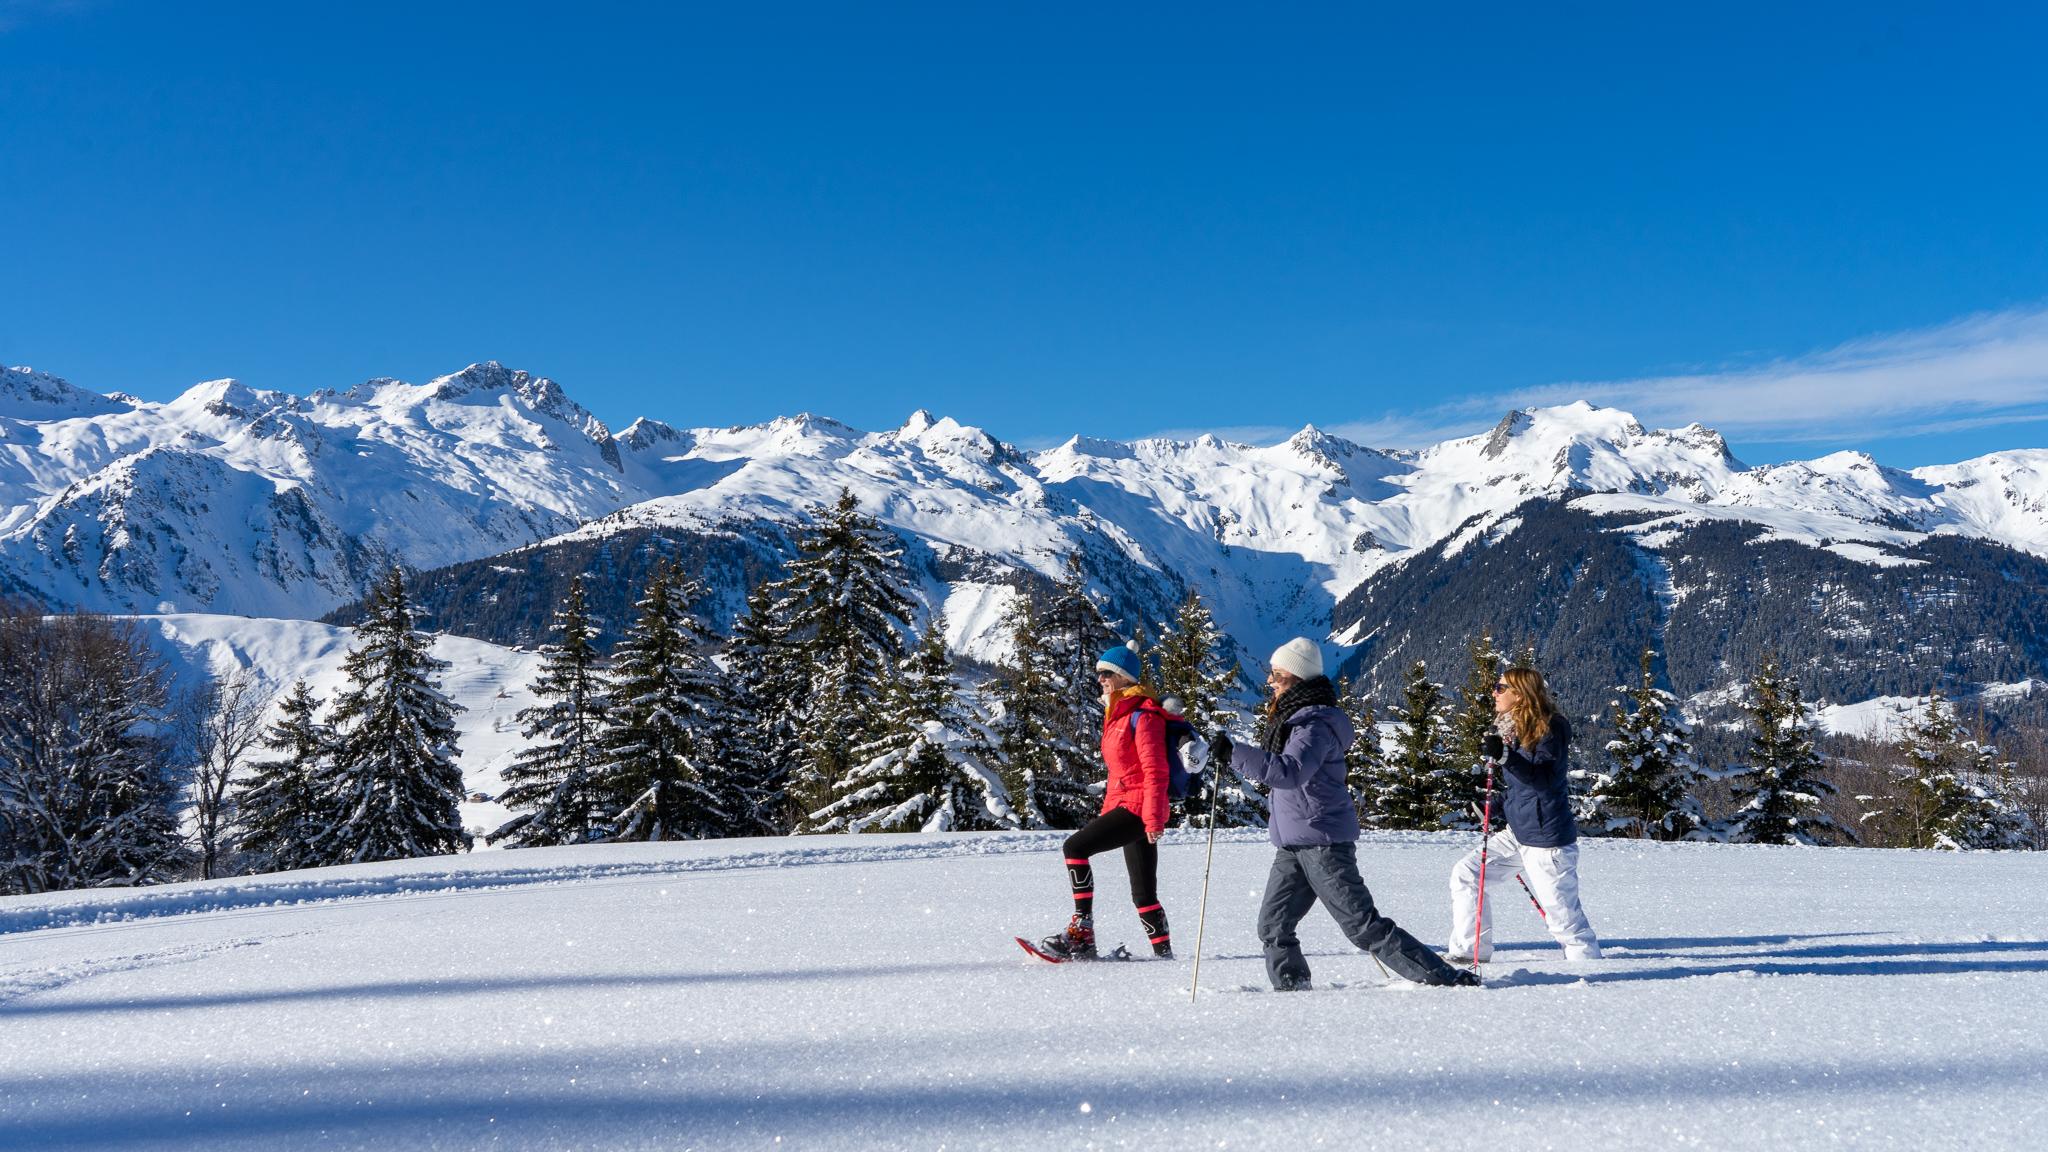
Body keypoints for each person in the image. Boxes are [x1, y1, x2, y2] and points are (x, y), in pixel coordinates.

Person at [1211, 637, 1477, 990]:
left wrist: (1234, 753)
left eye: (1278, 674)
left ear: (1298, 679)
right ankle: (1292, 989)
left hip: (1322, 841)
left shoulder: (1314, 725)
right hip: (1293, 843)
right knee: (1273, 926)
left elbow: (1289, 772)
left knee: (1362, 926)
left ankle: (1445, 978)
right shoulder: (1294, 721)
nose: (1270, 682)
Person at [1447, 665, 1602, 963]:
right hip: (1519, 833)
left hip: (1546, 841)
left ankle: (1591, 973)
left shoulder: (1549, 729)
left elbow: (1543, 780)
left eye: (1500, 687)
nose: (1494, 691)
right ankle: (1469, 952)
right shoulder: (1514, 728)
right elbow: (1523, 786)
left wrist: (1506, 757)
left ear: (1521, 695)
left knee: (1564, 920)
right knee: (1467, 875)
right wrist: (1496, 805)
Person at [1035, 645, 1175, 960]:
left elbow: (1155, 771)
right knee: (1143, 892)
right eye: (1099, 673)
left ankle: (1082, 932)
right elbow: (1119, 774)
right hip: (1127, 804)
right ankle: (1164, 957)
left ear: (1123, 677)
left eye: (1106, 673)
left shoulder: (1143, 716)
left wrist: (1153, 820)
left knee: (1075, 848)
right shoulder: (1118, 714)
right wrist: (1108, 813)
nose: (1100, 679)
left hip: (1139, 808)